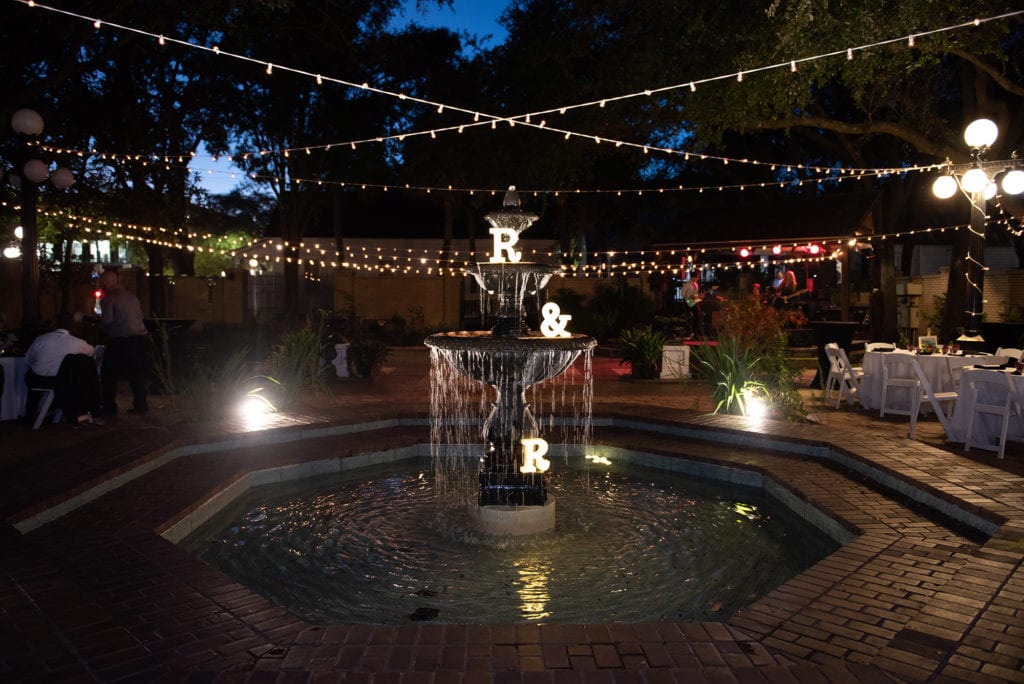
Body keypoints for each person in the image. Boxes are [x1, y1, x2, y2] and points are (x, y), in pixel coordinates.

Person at [24, 312, 101, 424]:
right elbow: (94, 352)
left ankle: (30, 415)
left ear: (55, 325)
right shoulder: (78, 343)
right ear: (72, 327)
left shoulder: (41, 339)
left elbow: (28, 360)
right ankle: (54, 410)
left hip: (39, 380)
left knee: (32, 374)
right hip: (63, 382)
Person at [97, 269, 149, 414]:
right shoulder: (132, 297)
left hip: (121, 339)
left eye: (101, 282)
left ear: (106, 283)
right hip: (139, 338)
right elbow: (140, 316)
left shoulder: (108, 298)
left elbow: (107, 321)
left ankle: (109, 406)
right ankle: (141, 405)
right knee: (136, 374)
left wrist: (99, 325)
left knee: (108, 373)